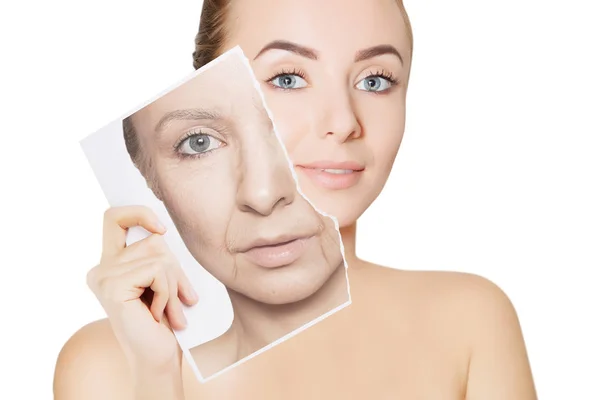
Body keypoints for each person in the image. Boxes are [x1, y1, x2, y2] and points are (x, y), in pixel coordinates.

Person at [54, 0, 538, 399]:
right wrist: (156, 381)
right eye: (287, 78)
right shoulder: (108, 366)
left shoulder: (468, 320)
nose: (344, 121)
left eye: (375, 80)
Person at [119, 50, 348, 378]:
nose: (263, 196)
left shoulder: (446, 322)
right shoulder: (112, 373)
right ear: (150, 179)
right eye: (198, 143)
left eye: (287, 123)